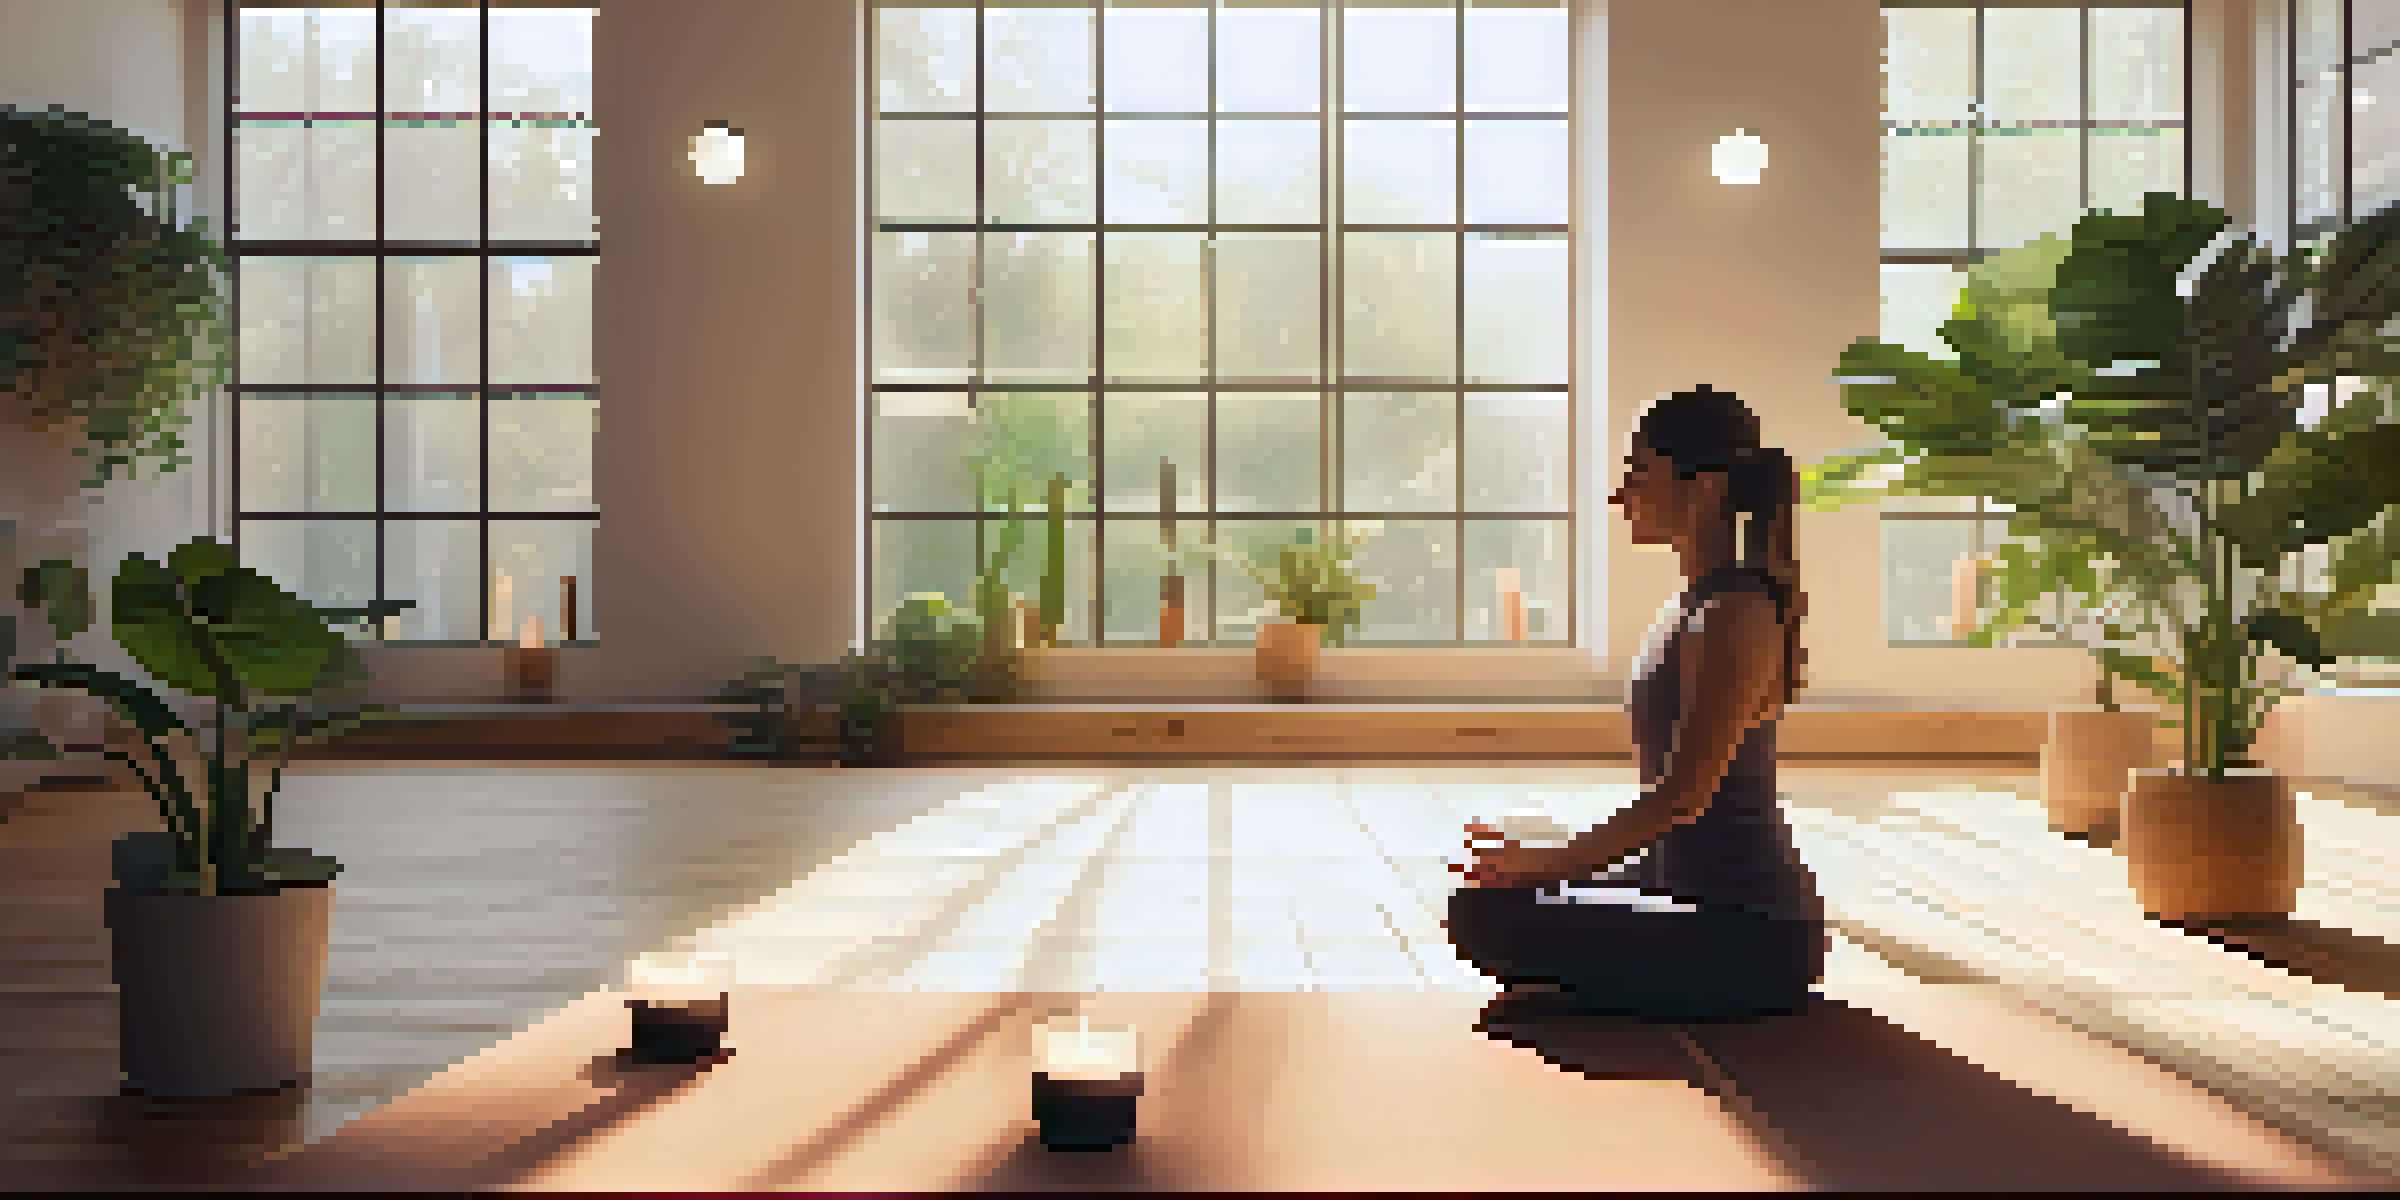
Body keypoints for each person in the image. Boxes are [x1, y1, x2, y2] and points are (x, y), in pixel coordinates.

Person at [1444, 384, 1828, 1029]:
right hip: (1675, 885)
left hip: (1747, 933)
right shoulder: (1694, 606)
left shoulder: (1733, 613)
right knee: (1488, 893)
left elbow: (1682, 799)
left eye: (1639, 474)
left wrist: (1549, 863)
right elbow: (1674, 820)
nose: (1621, 495)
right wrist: (1538, 860)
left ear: (1704, 488)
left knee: (1486, 917)